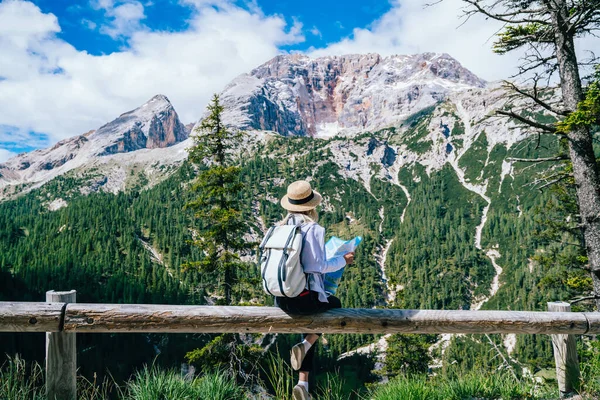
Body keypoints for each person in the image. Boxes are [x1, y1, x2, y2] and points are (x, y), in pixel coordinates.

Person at [275, 180, 355, 400]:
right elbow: (317, 266)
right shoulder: (313, 229)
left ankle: (303, 384)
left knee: (311, 318)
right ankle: (306, 344)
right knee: (332, 304)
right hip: (301, 300)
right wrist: (342, 260)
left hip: (281, 298)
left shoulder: (281, 227)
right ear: (311, 206)